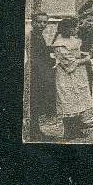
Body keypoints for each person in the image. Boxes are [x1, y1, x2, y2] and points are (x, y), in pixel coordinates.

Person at [51, 17, 93, 139]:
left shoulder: (73, 40)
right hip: (66, 75)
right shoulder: (60, 44)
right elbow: (68, 62)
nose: (76, 29)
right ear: (67, 29)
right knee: (68, 101)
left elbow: (76, 54)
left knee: (77, 100)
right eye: (74, 27)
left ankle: (76, 129)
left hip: (78, 74)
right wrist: (85, 59)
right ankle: (68, 131)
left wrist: (83, 54)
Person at [27, 12, 56, 140]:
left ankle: (36, 130)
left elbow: (42, 52)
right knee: (34, 102)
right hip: (36, 74)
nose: (42, 24)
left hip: (41, 72)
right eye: (39, 22)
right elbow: (34, 56)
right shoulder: (32, 36)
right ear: (33, 23)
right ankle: (34, 131)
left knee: (37, 103)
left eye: (45, 22)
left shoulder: (40, 36)